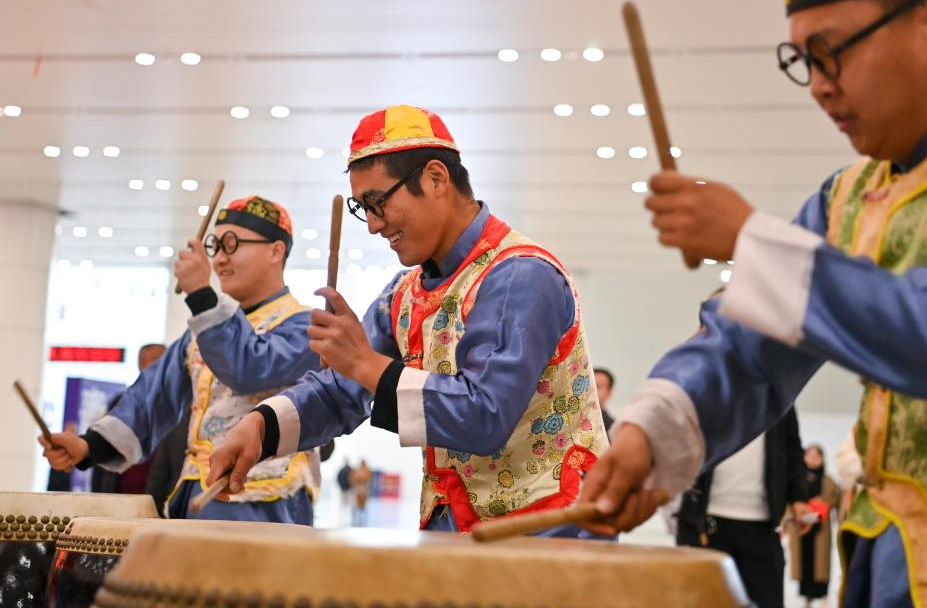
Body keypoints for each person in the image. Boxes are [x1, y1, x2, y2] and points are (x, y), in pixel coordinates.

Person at [580, 0, 927, 605]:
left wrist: (751, 241)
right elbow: (746, 349)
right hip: (882, 558)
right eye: (804, 61)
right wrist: (647, 438)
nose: (818, 83)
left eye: (831, 51)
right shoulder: (850, 197)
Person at [208, 105, 609, 537]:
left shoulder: (521, 274)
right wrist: (260, 426)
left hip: (550, 529)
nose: (373, 224)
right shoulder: (403, 293)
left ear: (436, 178)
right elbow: (341, 389)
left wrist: (366, 364)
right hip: (454, 528)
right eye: (363, 208)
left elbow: (485, 415)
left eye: (377, 202)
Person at [39, 196, 323, 524]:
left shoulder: (307, 326)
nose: (219, 259)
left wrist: (202, 295)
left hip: (268, 499)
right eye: (215, 246)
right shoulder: (203, 332)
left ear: (275, 251)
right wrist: (88, 446)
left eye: (232, 244)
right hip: (197, 493)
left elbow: (249, 368)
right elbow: (150, 398)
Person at [676, 409, 813, 608]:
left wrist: (799, 499)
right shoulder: (707, 395)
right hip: (709, 520)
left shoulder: (779, 398)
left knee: (767, 599)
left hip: (761, 523)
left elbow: (792, 451)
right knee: (703, 600)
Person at [90, 345, 167, 497]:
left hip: (160, 495)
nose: (151, 367)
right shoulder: (121, 404)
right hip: (120, 495)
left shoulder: (180, 407)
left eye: (157, 361)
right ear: (139, 365)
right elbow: (104, 446)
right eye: (146, 361)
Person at [789, 444, 841, 608]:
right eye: (809, 456)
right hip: (801, 528)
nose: (812, 460)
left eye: (816, 456)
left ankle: (823, 597)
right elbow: (790, 502)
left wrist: (823, 503)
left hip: (820, 529)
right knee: (804, 565)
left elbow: (837, 499)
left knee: (821, 566)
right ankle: (807, 599)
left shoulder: (828, 481)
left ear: (822, 459)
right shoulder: (797, 480)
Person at [593, 367, 616, 434]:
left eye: (597, 387)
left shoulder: (613, 429)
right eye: (587, 386)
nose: (591, 390)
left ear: (609, 393)